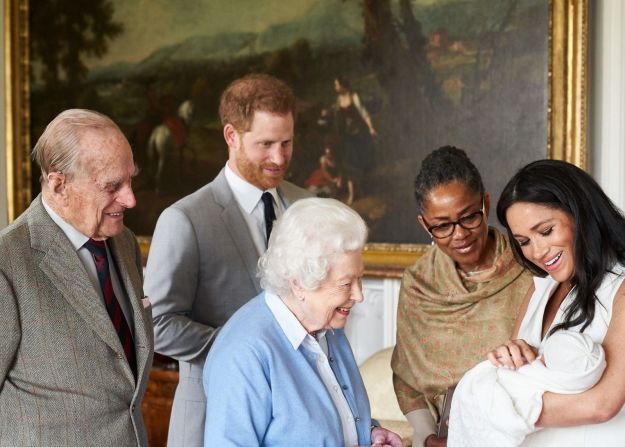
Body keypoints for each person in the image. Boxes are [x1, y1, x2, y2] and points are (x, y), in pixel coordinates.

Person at [144, 73, 311, 446]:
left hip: (297, 423)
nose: (279, 158)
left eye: (287, 142)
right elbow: (156, 323)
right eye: (266, 144)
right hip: (210, 417)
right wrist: (246, 347)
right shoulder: (184, 219)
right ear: (231, 136)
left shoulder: (307, 206)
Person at [0, 109, 153, 445]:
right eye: (113, 186)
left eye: (130, 180)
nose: (130, 198)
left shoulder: (124, 242)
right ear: (59, 185)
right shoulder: (8, 262)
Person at [203, 197, 403, 447]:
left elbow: (328, 420)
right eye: (345, 284)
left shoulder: (328, 326)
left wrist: (371, 432)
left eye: (360, 279)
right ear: (298, 283)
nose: (359, 295)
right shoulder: (244, 353)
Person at [390, 146, 533, 447]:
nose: (459, 235)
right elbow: (407, 377)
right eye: (442, 226)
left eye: (469, 217)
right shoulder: (418, 284)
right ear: (424, 225)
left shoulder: (529, 267)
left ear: (486, 204)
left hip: (522, 430)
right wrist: (428, 436)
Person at [487, 159, 625, 446]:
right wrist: (512, 356)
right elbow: (513, 378)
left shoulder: (620, 287)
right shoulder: (540, 288)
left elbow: (603, 404)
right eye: (524, 241)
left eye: (546, 231)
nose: (537, 252)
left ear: (581, 213)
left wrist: (496, 406)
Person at [449, 330, 606, 446]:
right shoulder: (539, 288)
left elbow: (509, 418)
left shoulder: (541, 385)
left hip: (495, 391)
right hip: (494, 379)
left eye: (544, 358)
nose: (540, 358)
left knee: (477, 394)